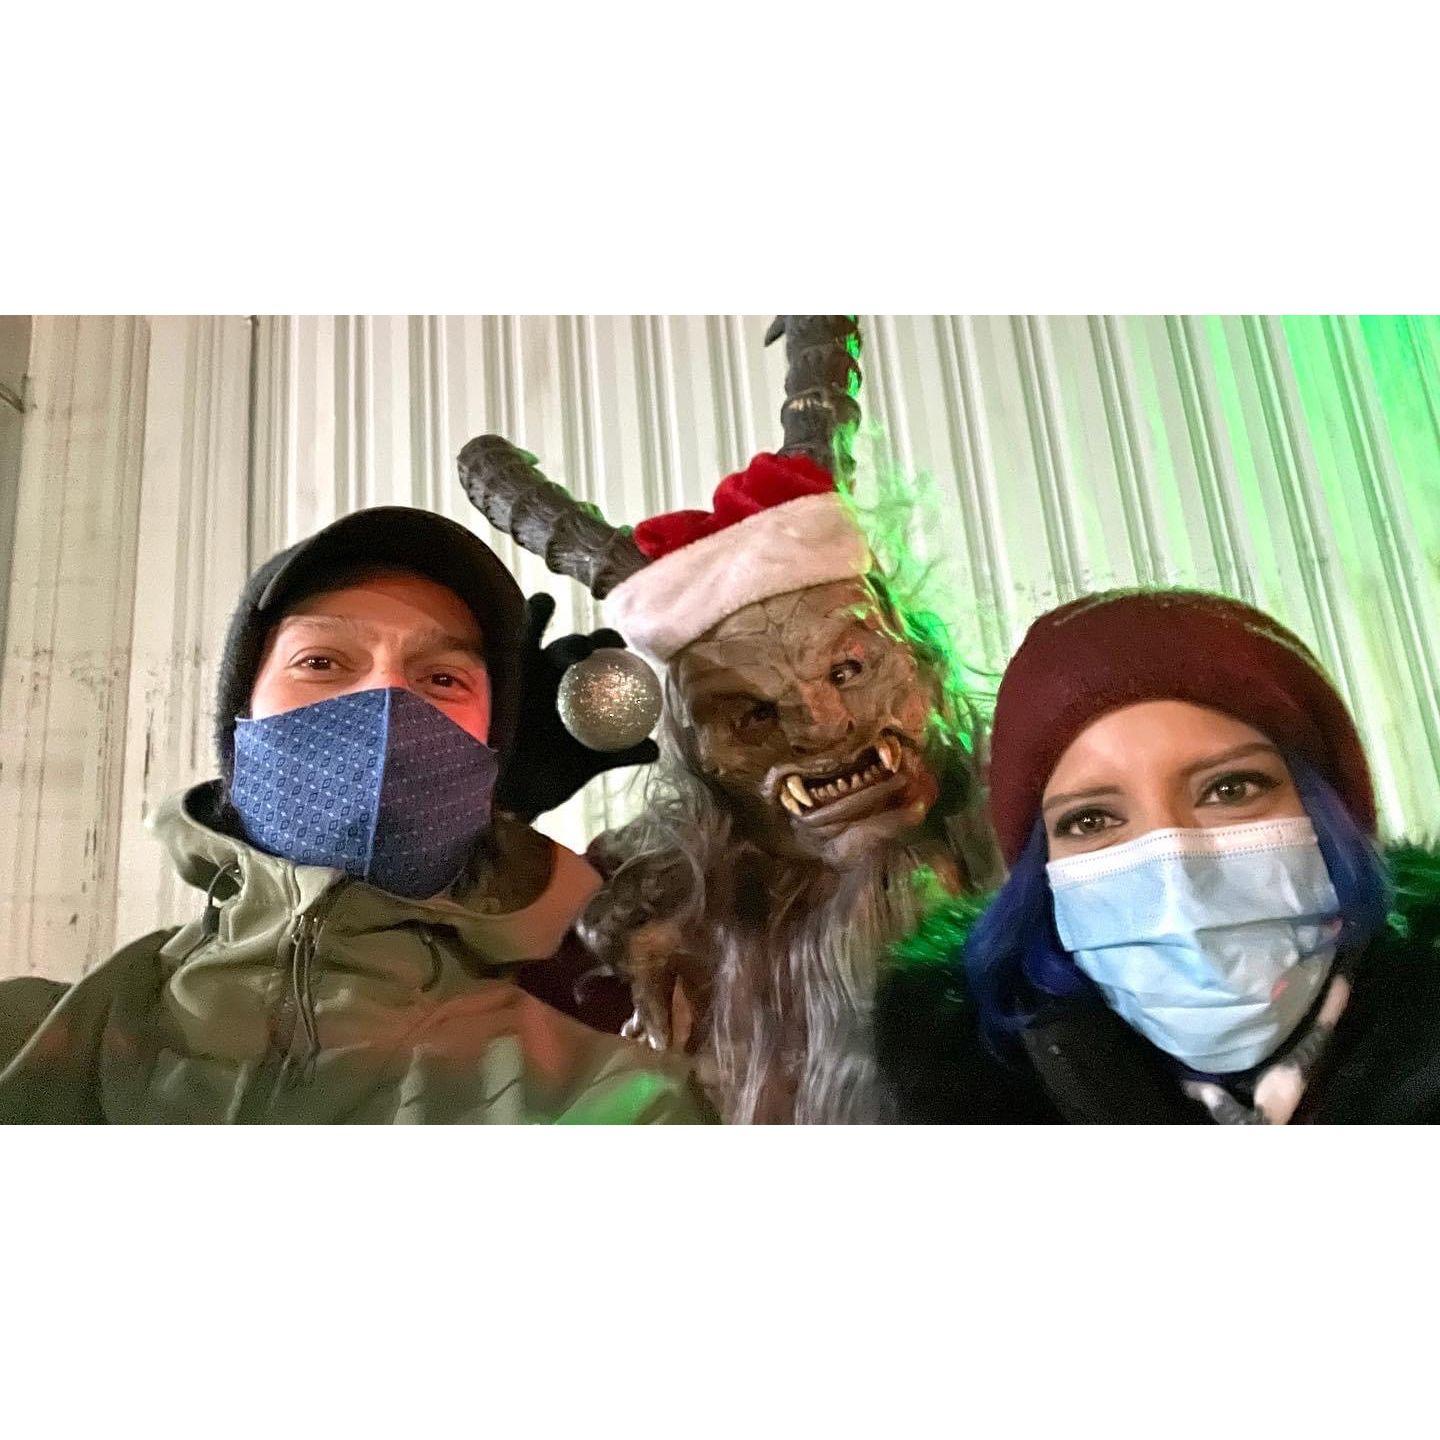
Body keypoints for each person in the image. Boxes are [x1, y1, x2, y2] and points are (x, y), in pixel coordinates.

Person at [0, 506, 710, 1123]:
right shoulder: (25, 1039)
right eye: (321, 662)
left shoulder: (609, 1103)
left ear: (493, 750)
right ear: (241, 718)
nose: (386, 705)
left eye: (442, 679)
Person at [875, 588, 1440, 1124]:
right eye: (1090, 820)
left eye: (1230, 789)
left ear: (1327, 812)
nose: (1177, 882)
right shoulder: (972, 1090)